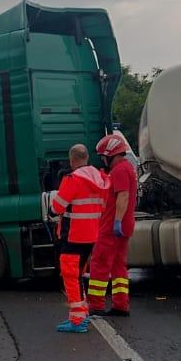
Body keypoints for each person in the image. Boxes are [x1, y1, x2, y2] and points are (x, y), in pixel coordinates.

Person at [50, 145, 106, 334]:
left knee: (70, 275)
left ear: (72, 159)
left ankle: (77, 320)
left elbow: (57, 207)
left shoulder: (72, 179)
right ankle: (82, 314)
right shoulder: (100, 178)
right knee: (78, 276)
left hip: (73, 235)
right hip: (91, 234)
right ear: (87, 157)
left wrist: (53, 207)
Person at [87, 131, 138, 318]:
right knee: (118, 266)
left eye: (104, 157)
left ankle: (96, 305)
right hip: (123, 226)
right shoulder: (127, 169)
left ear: (111, 154)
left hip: (112, 227)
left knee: (99, 263)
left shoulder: (119, 171)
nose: (103, 160)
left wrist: (116, 221)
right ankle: (120, 304)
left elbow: (123, 196)